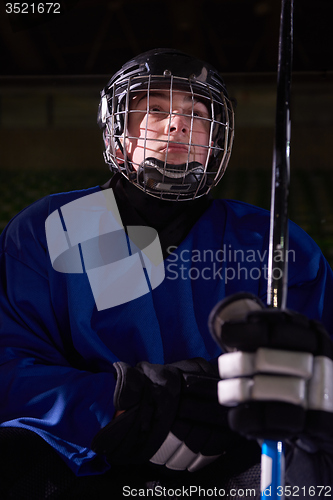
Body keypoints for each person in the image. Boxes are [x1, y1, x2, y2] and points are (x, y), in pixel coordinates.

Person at [0, 48, 333, 499]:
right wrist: (121, 404)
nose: (176, 123)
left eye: (195, 113)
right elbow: (11, 366)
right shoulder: (47, 228)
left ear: (215, 138)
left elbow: (319, 369)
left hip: (238, 460)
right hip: (86, 457)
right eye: (155, 109)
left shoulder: (276, 241)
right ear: (119, 130)